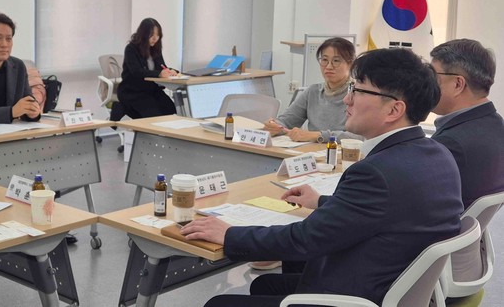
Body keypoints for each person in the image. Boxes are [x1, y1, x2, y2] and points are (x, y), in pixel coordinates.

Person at [181, 47, 463, 307]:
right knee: (266, 284)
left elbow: (304, 240)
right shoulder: (438, 153)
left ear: (394, 109)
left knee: (218, 304)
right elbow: (388, 209)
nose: (347, 99)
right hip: (389, 285)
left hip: (357, 296)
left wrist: (229, 234)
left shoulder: (375, 172)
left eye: (358, 90)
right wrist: (322, 202)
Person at [430, 39, 504, 208]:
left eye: (432, 78)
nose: (426, 85)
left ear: (458, 84)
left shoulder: (450, 144)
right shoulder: (497, 125)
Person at [263, 37, 361, 142]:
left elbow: (360, 136)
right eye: (324, 60)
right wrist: (275, 126)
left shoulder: (359, 94)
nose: (328, 66)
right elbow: (286, 121)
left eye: (336, 61)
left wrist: (318, 135)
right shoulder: (313, 91)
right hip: (311, 150)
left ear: (351, 64)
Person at [117, 18, 178, 119]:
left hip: (152, 90)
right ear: (143, 34)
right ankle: (121, 108)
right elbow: (137, 71)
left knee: (171, 110)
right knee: (155, 116)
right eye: (152, 35)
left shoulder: (155, 49)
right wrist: (159, 74)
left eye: (158, 35)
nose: (155, 38)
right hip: (133, 92)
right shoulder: (131, 49)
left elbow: (161, 67)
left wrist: (171, 71)